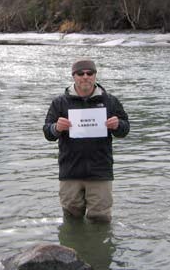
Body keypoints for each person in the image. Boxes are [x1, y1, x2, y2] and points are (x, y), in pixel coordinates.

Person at [43, 58, 130, 222]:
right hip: (70, 171)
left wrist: (118, 125)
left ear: (95, 75)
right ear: (73, 76)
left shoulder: (110, 101)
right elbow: (47, 132)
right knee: (71, 220)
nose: (85, 77)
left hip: (100, 171)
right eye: (80, 73)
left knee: (101, 219)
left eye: (89, 73)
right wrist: (56, 128)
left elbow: (125, 130)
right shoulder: (59, 103)